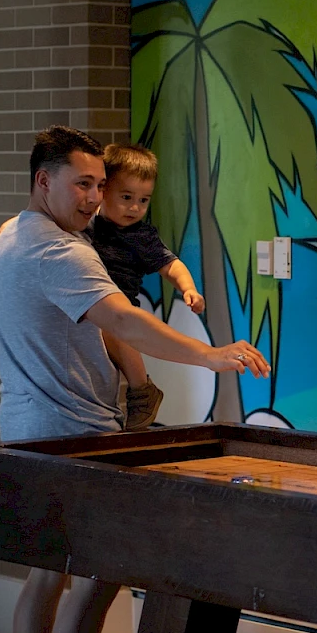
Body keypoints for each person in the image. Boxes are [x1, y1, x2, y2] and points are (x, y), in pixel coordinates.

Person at [0, 125, 270, 633]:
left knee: (52, 570)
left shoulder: (10, 233)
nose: (94, 198)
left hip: (28, 421)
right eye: (82, 185)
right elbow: (124, 319)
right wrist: (211, 355)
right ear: (44, 181)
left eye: (99, 185)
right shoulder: (60, 251)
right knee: (102, 569)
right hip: (73, 430)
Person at [86, 143, 204, 429]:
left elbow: (171, 264)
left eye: (144, 200)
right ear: (103, 190)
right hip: (89, 303)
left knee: (117, 331)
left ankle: (142, 389)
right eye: (126, 197)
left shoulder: (142, 236)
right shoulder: (86, 222)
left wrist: (188, 288)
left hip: (119, 306)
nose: (135, 207)